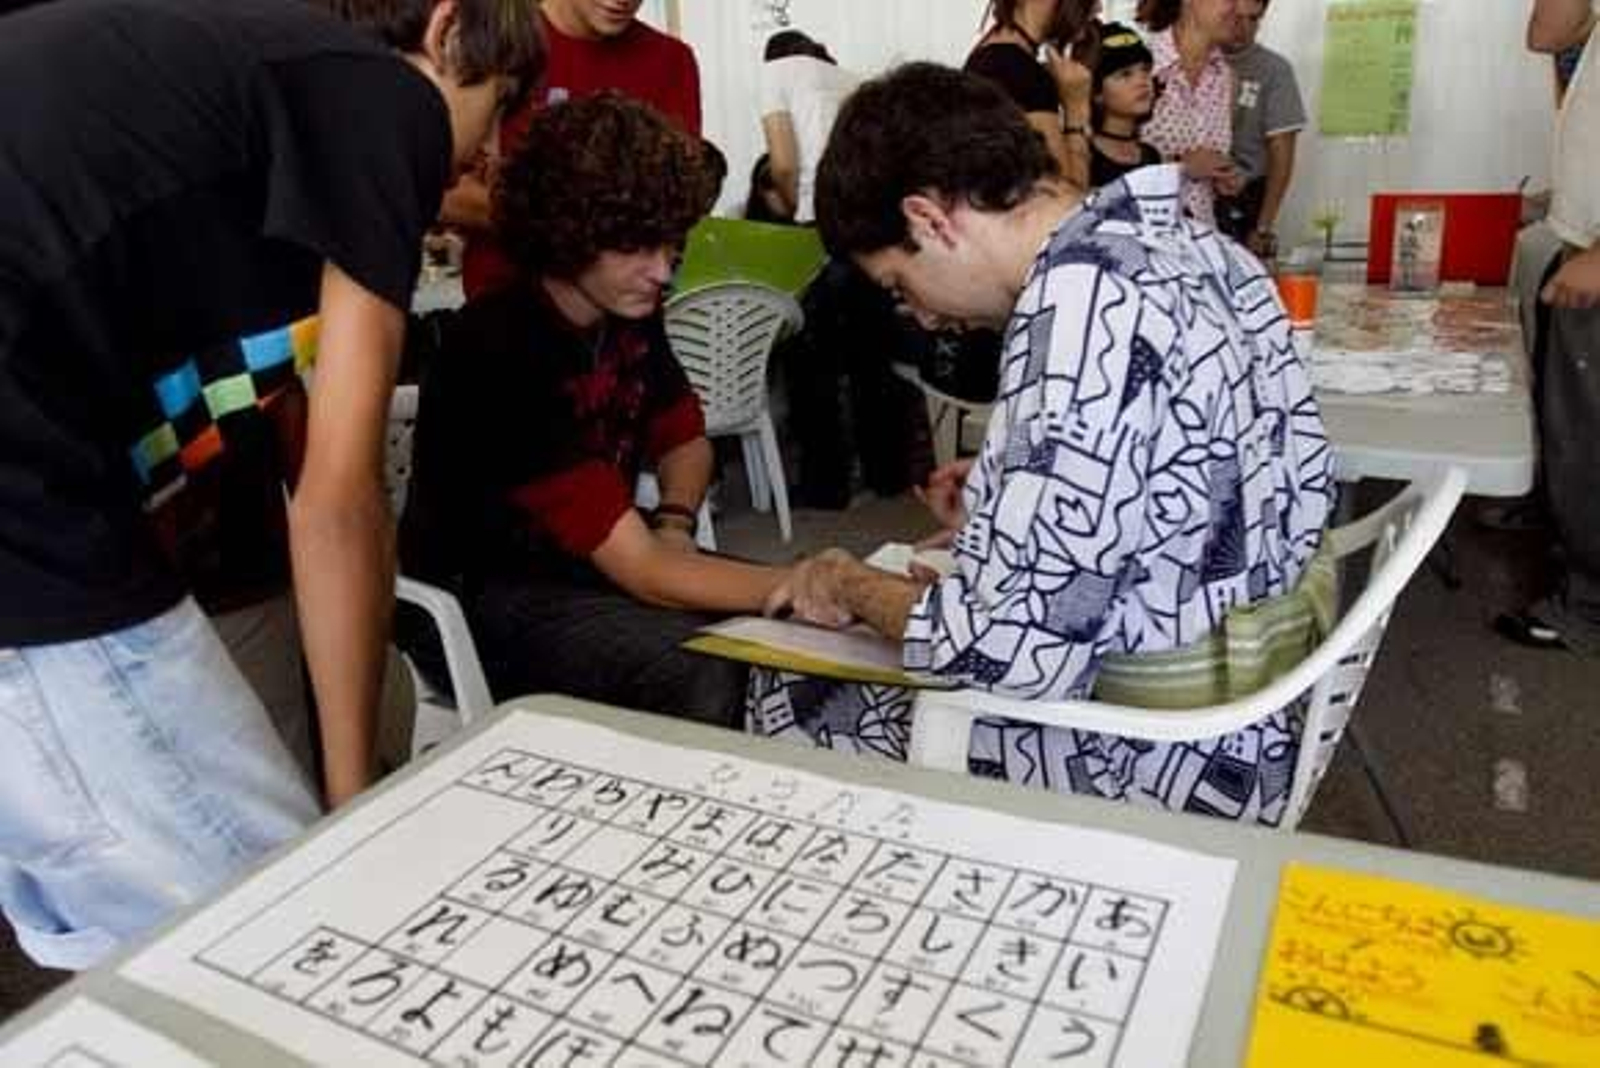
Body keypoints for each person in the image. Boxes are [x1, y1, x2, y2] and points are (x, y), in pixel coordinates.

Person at [0, 0, 541, 968]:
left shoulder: (255, 106)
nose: (486, 153)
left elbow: (304, 467)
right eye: (498, 103)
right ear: (448, 29)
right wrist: (351, 807)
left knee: (122, 923)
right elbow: (340, 502)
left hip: (45, 459)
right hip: (25, 482)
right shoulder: (386, 101)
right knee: (284, 921)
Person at [749, 63, 1337, 825]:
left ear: (929, 220)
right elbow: (1193, 468)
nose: (921, 316)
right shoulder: (1199, 246)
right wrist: (1009, 489)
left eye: (899, 285)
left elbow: (1014, 655)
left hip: (1153, 757)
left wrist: (852, 585)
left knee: (780, 686)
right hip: (1268, 709)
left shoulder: (1077, 309)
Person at [400, 93, 792, 726]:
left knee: (787, 627)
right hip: (480, 597)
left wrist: (674, 522)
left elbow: (686, 441)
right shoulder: (500, 347)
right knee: (710, 666)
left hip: (593, 565)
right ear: (569, 230)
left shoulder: (629, 314)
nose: (662, 271)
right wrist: (804, 582)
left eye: (671, 247)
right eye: (637, 247)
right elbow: (643, 571)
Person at [447, 0, 702, 299]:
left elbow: (675, 205)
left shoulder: (671, 61)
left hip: (629, 309)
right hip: (502, 300)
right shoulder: (494, 45)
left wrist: (518, 203)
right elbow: (442, 193)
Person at [1497, 1, 1600, 654]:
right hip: (1580, 244)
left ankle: (1587, 605)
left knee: (1590, 436)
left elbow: (1548, 29)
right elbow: (1551, 35)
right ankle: (1553, 517)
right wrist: (1554, 205)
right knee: (1564, 420)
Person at [965, 0, 1097, 192]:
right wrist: (1076, 109)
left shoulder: (991, 56)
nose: (1098, 8)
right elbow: (1068, 195)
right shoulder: (1019, 70)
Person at [1137, 0, 1241, 225]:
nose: (1238, 9)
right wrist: (1181, 167)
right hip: (1141, 234)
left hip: (1200, 236)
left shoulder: (1226, 77)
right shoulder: (1139, 62)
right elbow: (1103, 166)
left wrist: (1223, 178)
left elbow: (1212, 162)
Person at [1217, 0, 1306, 261]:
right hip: (1193, 187)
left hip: (1245, 195)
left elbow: (1282, 155)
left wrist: (1263, 226)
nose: (1243, 27)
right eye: (1236, 17)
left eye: (1253, 19)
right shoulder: (1193, 60)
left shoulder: (1274, 70)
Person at [758, 30, 860, 224]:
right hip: (866, 203)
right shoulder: (851, 79)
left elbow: (784, 168)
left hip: (821, 206)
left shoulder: (775, 71)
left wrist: (796, 208)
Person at [1088, 21, 1162, 187]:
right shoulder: (1084, 156)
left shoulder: (1151, 155)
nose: (1142, 81)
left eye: (1145, 70)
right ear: (1097, 92)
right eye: (1125, 74)